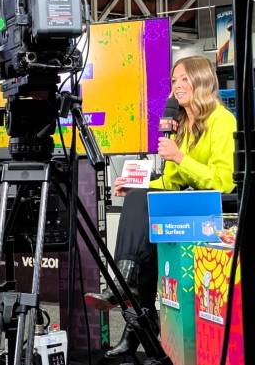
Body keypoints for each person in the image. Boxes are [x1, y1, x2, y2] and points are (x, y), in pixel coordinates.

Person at [85, 56, 237, 359]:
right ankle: (136, 315)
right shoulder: (181, 124)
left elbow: (223, 183)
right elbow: (171, 182)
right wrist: (139, 185)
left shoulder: (222, 120)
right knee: (138, 203)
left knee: (142, 207)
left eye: (184, 79)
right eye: (174, 81)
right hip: (185, 200)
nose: (177, 86)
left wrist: (180, 157)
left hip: (212, 204)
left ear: (202, 81)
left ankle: (129, 302)